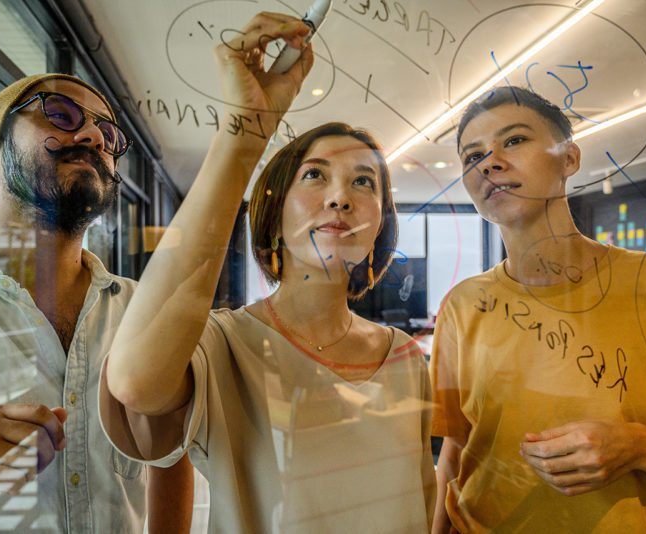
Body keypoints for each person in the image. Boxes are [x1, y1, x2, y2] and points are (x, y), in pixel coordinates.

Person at [99, 11, 436, 533]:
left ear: (379, 229)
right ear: (274, 217)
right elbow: (136, 383)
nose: (340, 197)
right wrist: (244, 135)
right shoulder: (224, 346)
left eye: (364, 183)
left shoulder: (406, 357)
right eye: (315, 175)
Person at [0, 73, 193, 532]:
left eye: (109, 134)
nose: (94, 136)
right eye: (60, 114)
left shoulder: (145, 314)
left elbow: (169, 461)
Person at [430, 86, 646, 532]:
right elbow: (457, 449)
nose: (489, 162)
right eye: (472, 156)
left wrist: (643, 448)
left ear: (569, 159)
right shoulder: (462, 305)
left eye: (514, 140)